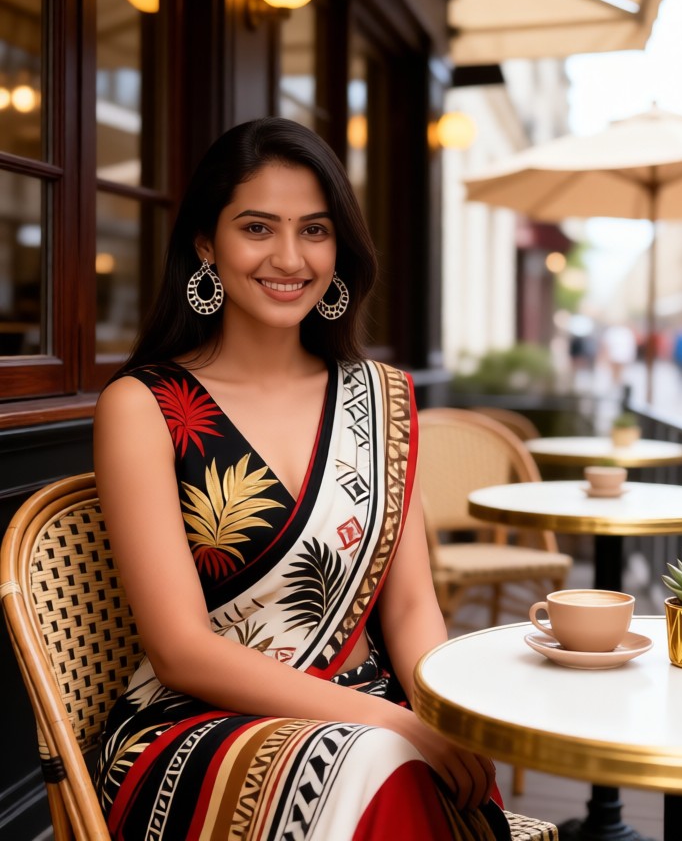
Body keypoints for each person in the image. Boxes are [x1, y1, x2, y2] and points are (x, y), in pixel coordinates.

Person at [93, 118, 539, 840]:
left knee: (408, 764)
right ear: (207, 244)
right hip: (198, 732)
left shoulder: (380, 398)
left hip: (370, 706)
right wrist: (395, 725)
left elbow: (410, 608)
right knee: (385, 762)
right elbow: (179, 648)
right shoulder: (145, 406)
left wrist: (434, 715)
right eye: (258, 228)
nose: (290, 257)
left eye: (315, 230)